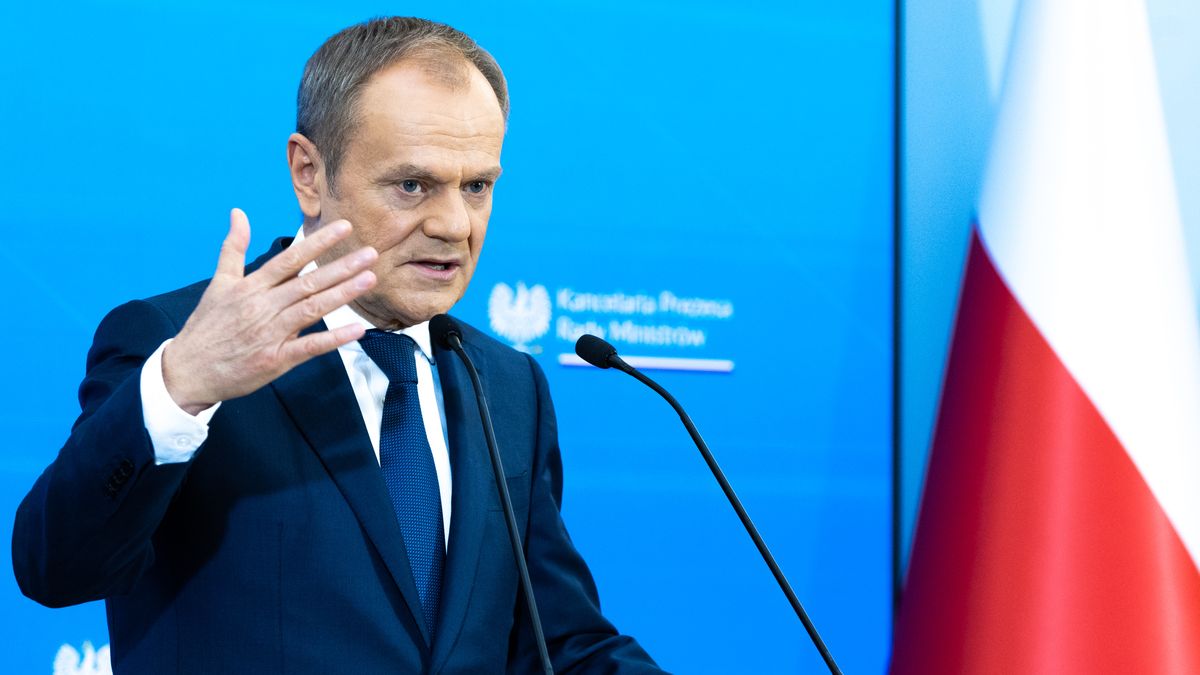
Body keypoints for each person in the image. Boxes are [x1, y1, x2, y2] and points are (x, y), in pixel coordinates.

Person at [13, 17, 662, 674]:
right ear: (309, 173)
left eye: (477, 186)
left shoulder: (510, 384)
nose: (454, 224)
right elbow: (56, 567)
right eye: (412, 185)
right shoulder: (175, 346)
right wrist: (181, 388)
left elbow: (562, 642)